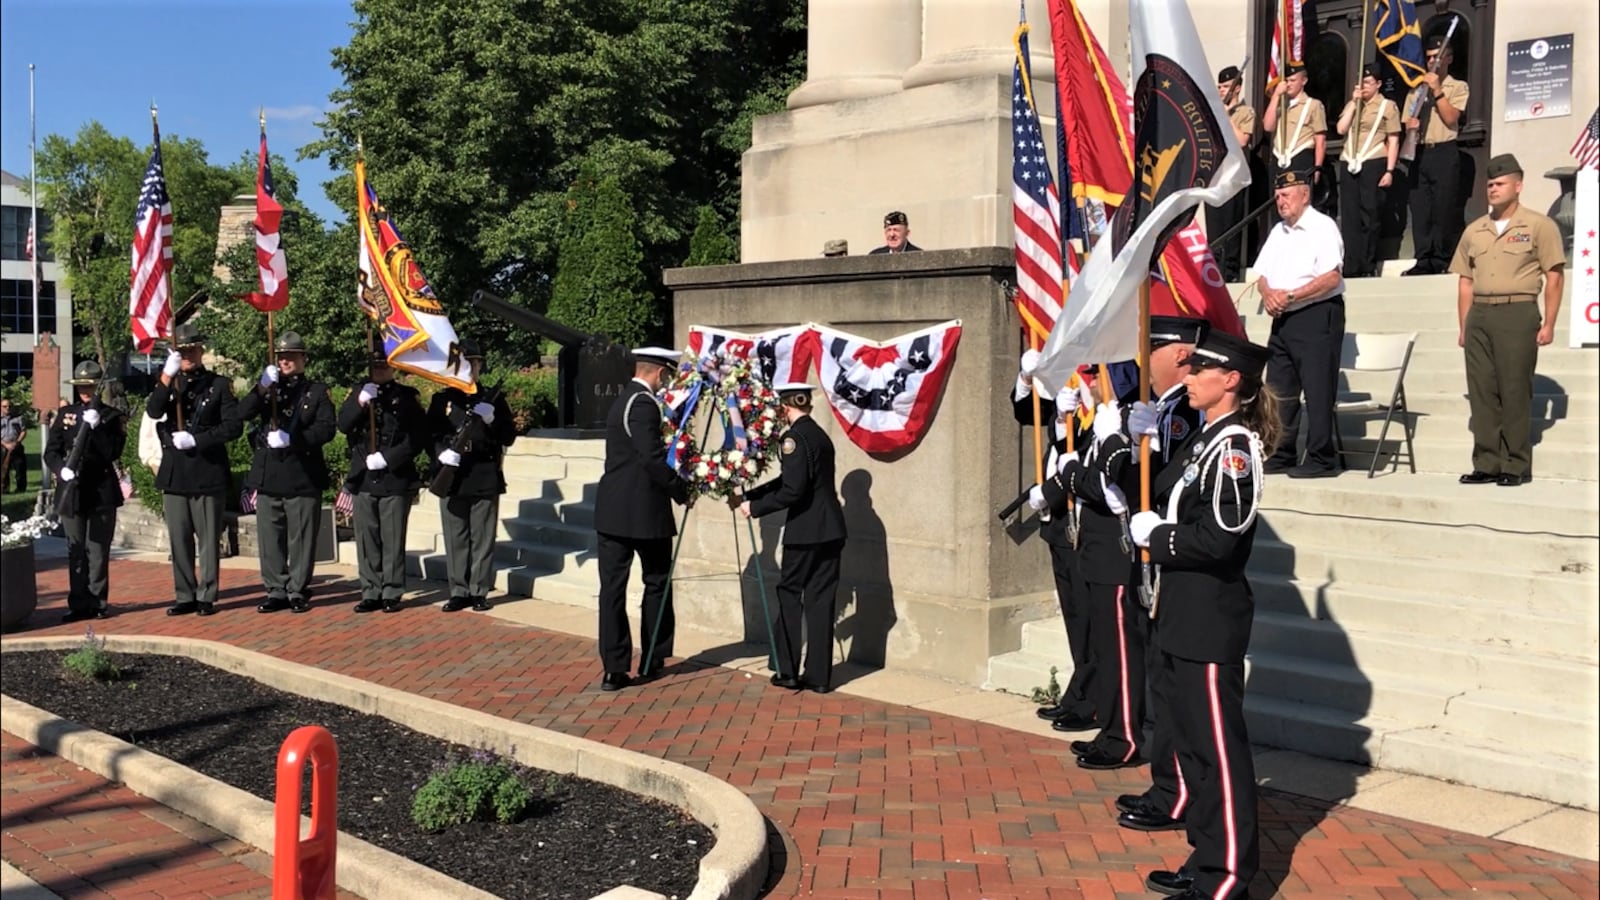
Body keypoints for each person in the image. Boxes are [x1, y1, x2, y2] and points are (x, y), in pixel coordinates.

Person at [1129, 329, 1280, 900]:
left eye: (1199, 371)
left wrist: (1160, 538)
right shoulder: (1202, 439)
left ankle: (1230, 875)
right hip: (1179, 613)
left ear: (1231, 380)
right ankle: (1208, 853)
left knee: (1219, 752)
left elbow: (1221, 540)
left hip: (1209, 618)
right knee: (1193, 747)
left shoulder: (1234, 447)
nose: (1186, 378)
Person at [1095, 317, 1208, 816]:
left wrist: (1134, 449)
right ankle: (1168, 787)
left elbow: (1165, 486)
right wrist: (1121, 446)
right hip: (1156, 563)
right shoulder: (1162, 405)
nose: (1144, 356)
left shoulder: (1186, 409)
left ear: (1180, 353)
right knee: (1161, 688)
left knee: (1175, 696)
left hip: (1176, 561)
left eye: (1154, 346)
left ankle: (1176, 792)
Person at [1449, 154, 1566, 487]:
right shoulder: (1475, 231)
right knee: (1482, 390)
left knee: (1514, 389)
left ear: (1518, 185)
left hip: (1518, 311)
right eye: (1489, 184)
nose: (1493, 189)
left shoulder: (1538, 225)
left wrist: (1549, 324)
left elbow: (1554, 276)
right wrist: (1464, 326)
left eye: (1500, 184)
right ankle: (1487, 462)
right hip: (1480, 314)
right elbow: (1465, 281)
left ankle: (1515, 464)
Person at [737, 383, 848, 693]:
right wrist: (755, 493)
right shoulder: (819, 435)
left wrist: (754, 507)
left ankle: (787, 670)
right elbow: (796, 479)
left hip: (806, 531)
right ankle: (819, 677)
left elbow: (793, 490)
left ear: (785, 408)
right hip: (831, 528)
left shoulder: (792, 439)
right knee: (821, 599)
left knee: (789, 595)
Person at [593, 347, 693, 691]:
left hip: (612, 511)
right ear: (660, 373)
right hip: (643, 511)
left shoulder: (623, 399)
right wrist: (681, 489)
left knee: (613, 591)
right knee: (656, 583)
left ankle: (614, 667)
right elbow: (651, 458)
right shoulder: (644, 404)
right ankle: (651, 658)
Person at [1014, 353, 1098, 731]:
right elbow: (1026, 413)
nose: (1087, 379)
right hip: (1059, 524)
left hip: (1084, 525)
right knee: (1075, 617)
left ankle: (1091, 698)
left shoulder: (1105, 413)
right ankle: (1079, 692)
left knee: (1090, 619)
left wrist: (1049, 489)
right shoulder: (1069, 399)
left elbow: (1088, 464)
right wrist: (1027, 379)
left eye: (1093, 374)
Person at [146, 323, 242, 617]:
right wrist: (166, 375)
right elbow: (153, 411)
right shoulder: (170, 382)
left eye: (191, 350)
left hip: (206, 470)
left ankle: (206, 595)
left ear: (201, 351)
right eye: (181, 351)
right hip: (176, 473)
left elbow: (232, 427)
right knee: (179, 538)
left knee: (209, 539)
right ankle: (184, 594)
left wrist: (197, 439)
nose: (187, 355)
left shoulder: (220, 385)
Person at [1255, 169, 1346, 478]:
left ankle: (1321, 457)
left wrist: (1291, 295)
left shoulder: (1322, 227)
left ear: (1304, 195)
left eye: (1287, 195)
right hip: (1283, 318)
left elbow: (1332, 277)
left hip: (1316, 313)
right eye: (1278, 196)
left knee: (1318, 389)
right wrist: (1268, 294)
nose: (1280, 201)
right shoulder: (1277, 232)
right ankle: (1281, 451)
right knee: (1280, 390)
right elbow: (1262, 275)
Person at [238, 331, 336, 614]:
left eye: (292, 356)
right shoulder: (268, 389)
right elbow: (241, 414)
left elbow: (326, 429)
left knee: (301, 539)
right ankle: (275, 590)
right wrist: (260, 388)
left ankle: (297, 589)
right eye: (281, 357)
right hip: (269, 475)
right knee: (271, 539)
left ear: (303, 359)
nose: (286, 362)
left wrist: (294, 439)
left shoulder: (316, 391)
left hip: (302, 475)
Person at [426, 340, 517, 612]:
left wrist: (493, 420)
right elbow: (429, 435)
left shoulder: (493, 399)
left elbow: (508, 436)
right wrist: (441, 453)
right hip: (452, 476)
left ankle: (479, 589)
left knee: (482, 537)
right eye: (465, 363)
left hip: (483, 475)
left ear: (479, 365)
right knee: (456, 537)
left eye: (474, 363)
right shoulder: (442, 400)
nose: (470, 368)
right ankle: (459, 590)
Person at [338, 345, 425, 613]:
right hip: (364, 477)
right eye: (375, 365)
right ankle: (370, 591)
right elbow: (343, 425)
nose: (380, 369)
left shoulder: (406, 398)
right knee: (367, 539)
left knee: (391, 537)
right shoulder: (359, 393)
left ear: (394, 366)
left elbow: (417, 438)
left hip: (393, 477)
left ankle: (392, 590)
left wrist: (390, 458)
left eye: (384, 364)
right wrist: (360, 402)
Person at [45, 361, 127, 623]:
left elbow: (112, 452)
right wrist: (60, 469)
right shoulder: (66, 414)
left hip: (101, 490)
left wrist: (97, 427)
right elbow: (51, 451)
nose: (85, 390)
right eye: (81, 386)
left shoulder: (112, 417)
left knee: (98, 549)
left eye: (90, 386)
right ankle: (78, 603)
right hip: (73, 490)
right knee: (75, 548)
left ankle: (98, 601)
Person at [1402, 34, 1470, 276]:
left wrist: (1438, 90)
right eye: (1429, 58)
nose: (1433, 62)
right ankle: (1423, 258)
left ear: (1448, 59)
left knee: (1443, 207)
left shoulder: (1457, 86)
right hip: (1420, 151)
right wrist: (1411, 125)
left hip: (1444, 150)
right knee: (1421, 208)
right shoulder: (1416, 89)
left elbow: (1451, 118)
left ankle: (1443, 258)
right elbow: (1407, 121)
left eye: (1438, 57)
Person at [1336, 64, 1402, 278]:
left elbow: (1393, 139)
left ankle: (1367, 263)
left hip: (1373, 161)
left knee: (1370, 213)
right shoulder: (1353, 104)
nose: (1363, 86)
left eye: (1368, 82)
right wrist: (1354, 104)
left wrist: (1390, 170)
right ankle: (1351, 262)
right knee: (1350, 215)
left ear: (1378, 84)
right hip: (1349, 161)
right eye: (1361, 81)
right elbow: (1341, 129)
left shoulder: (1387, 106)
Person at [1206, 66, 1257, 282]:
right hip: (1216, 174)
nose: (1221, 91)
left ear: (1237, 88)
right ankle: (1214, 271)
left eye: (1226, 86)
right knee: (1214, 226)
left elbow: (1242, 140)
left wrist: (1226, 117)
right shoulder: (1213, 111)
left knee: (1231, 224)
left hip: (1233, 174)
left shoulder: (1246, 112)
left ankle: (1230, 273)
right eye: (1219, 87)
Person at [1260, 65, 1326, 189]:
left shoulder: (1313, 105)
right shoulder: (1280, 105)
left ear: (1304, 81)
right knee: (1277, 202)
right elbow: (1268, 126)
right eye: (1286, 81)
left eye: (1293, 80)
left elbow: (1320, 140)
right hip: (1278, 158)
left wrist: (1317, 168)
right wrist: (1276, 96)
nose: (1288, 84)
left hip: (1300, 157)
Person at [0, 397, 27, 493]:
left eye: (9, 406)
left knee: (20, 468)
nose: (7, 408)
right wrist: (5, 444)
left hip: (16, 445)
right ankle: (4, 489)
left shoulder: (18, 417)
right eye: (5, 406)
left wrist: (17, 442)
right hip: (3, 446)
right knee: (4, 470)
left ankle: (21, 489)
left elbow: (23, 431)